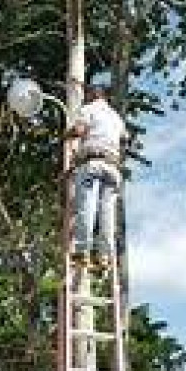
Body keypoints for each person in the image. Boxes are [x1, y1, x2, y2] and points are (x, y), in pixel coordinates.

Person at [67, 83, 127, 266]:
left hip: (93, 165)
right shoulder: (116, 117)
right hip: (113, 168)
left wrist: (64, 137)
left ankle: (82, 251)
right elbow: (125, 139)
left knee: (87, 205)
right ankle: (104, 256)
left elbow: (79, 130)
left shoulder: (89, 109)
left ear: (94, 95)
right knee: (107, 211)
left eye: (88, 94)